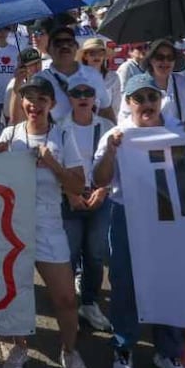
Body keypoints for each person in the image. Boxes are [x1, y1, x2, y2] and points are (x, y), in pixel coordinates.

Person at [0, 75, 90, 368]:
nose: (35, 104)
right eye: (29, 98)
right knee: (17, 294)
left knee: (65, 299)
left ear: (52, 103)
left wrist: (53, 165)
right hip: (13, 225)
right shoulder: (10, 134)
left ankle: (70, 350)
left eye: (42, 99)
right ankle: (20, 347)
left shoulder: (62, 136)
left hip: (49, 224)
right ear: (22, 101)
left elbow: (78, 184)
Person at [93, 74, 185, 368]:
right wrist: (111, 150)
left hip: (169, 217)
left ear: (160, 100)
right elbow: (100, 180)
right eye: (139, 99)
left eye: (152, 97)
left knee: (171, 284)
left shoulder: (179, 131)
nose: (146, 104)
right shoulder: (118, 134)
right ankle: (123, 347)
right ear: (129, 103)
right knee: (126, 285)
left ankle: (168, 351)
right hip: (128, 216)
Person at [59, 72, 115, 334]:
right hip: (68, 197)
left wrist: (103, 190)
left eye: (88, 93)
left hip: (99, 197)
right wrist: (69, 192)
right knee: (68, 253)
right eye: (77, 93)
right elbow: (54, 165)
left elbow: (115, 163)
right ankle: (68, 303)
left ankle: (90, 302)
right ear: (69, 98)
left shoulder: (106, 126)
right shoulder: (58, 126)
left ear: (95, 98)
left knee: (94, 254)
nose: (83, 97)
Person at [38, 25, 114, 124]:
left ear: (76, 47)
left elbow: (106, 109)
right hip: (55, 137)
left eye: (69, 42)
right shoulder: (40, 79)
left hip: (89, 136)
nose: (65, 46)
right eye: (58, 43)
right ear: (48, 49)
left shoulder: (92, 75)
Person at [118, 38, 185, 125]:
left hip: (179, 137)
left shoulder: (181, 82)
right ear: (151, 60)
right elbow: (123, 119)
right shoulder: (137, 85)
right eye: (159, 57)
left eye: (170, 57)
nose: (165, 61)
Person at [77, 37, 121, 117]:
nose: (97, 56)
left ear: (104, 56)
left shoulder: (113, 77)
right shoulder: (76, 78)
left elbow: (116, 106)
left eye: (100, 53)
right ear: (85, 56)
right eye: (92, 53)